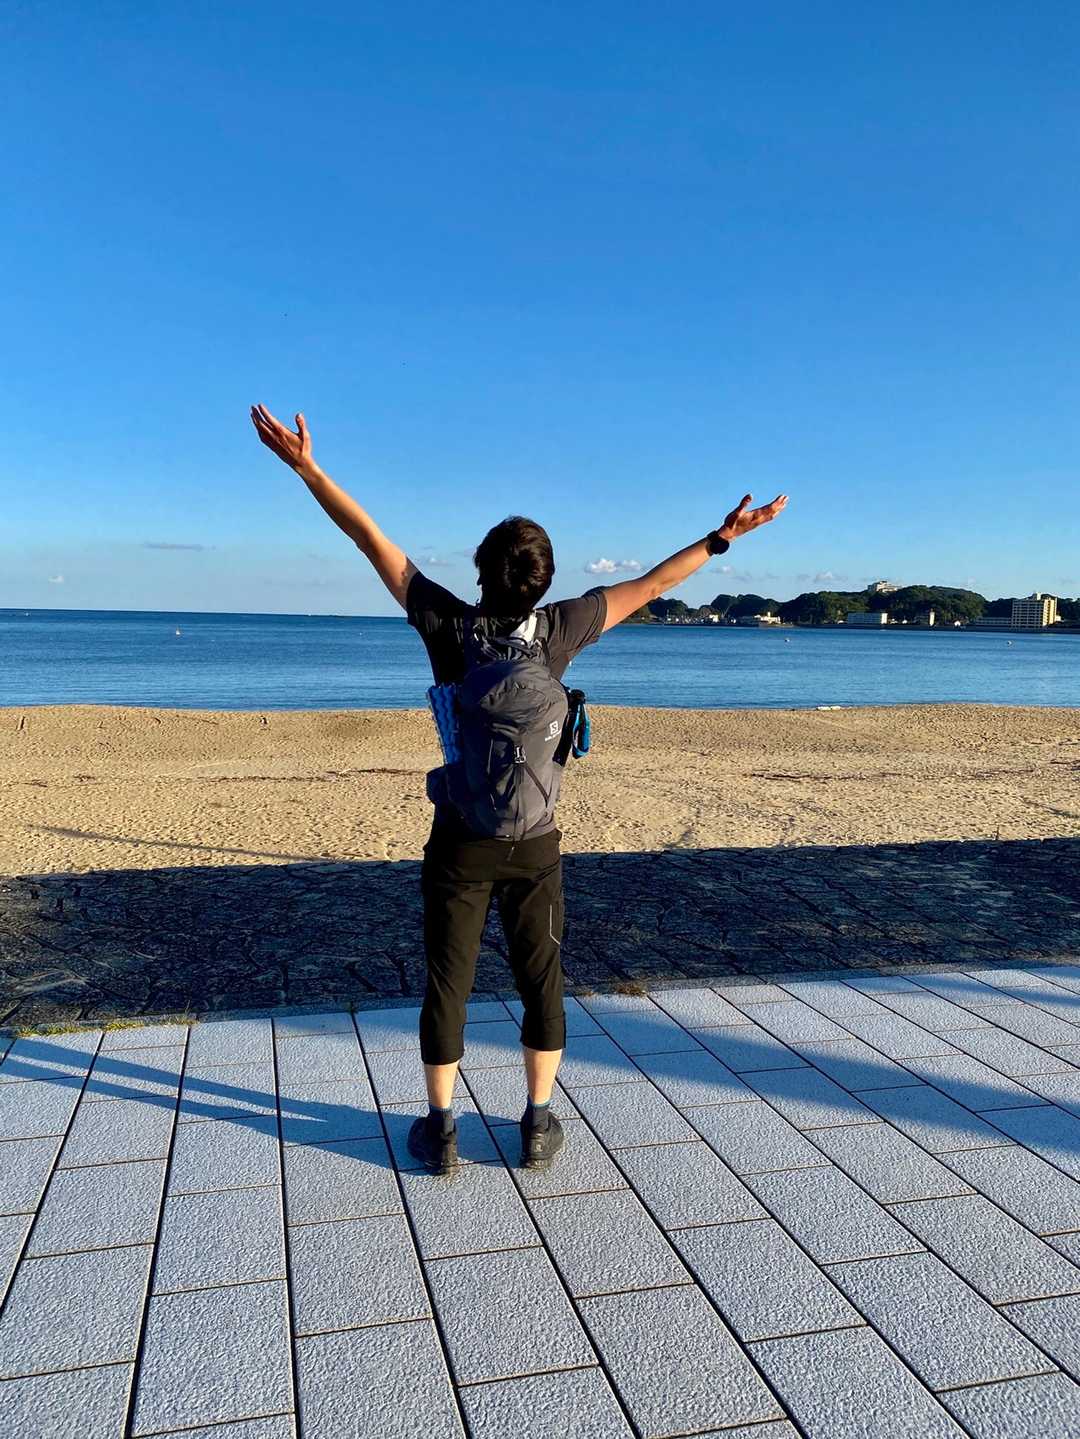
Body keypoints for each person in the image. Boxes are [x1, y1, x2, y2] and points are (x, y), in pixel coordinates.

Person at [250, 404, 788, 1172]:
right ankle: (536, 1122)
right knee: (542, 979)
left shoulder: (448, 626)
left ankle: (441, 1130)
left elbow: (370, 540)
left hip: (460, 841)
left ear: (480, 572)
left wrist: (308, 469)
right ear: (544, 581)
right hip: (536, 843)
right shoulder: (563, 629)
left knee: (448, 982)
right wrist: (722, 536)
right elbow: (653, 584)